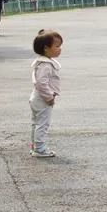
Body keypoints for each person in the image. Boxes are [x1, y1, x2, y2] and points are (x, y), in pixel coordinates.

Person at [30, 29, 63, 158]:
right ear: (46, 48)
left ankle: (35, 146)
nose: (60, 49)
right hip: (42, 99)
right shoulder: (46, 65)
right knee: (42, 124)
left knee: (36, 123)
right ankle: (40, 149)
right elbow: (41, 83)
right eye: (57, 46)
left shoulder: (42, 62)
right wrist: (49, 97)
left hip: (37, 97)